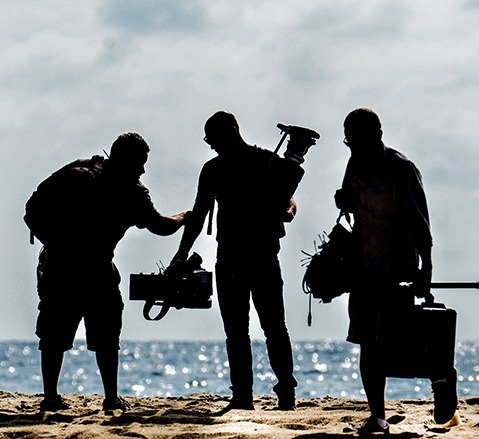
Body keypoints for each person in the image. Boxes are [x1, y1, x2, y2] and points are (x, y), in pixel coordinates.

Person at [26, 132, 188, 412]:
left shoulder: (79, 172)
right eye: (140, 163)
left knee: (66, 335)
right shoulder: (128, 190)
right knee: (92, 336)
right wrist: (184, 217)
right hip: (85, 269)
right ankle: (105, 398)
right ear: (125, 159)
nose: (143, 170)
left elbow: (31, 211)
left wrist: (52, 244)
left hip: (67, 267)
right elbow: (160, 225)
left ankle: (59, 397)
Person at [171, 110, 317, 411]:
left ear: (234, 131)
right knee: (245, 330)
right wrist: (181, 253)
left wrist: (287, 211)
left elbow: (288, 199)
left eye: (214, 139)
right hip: (237, 256)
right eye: (209, 141)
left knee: (270, 328)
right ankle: (245, 395)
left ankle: (280, 393)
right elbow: (198, 216)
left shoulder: (263, 161)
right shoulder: (219, 168)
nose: (212, 145)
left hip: (256, 255)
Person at [335, 108, 457, 434]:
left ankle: (442, 379)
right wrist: (342, 200)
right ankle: (378, 416)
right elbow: (349, 209)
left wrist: (426, 268)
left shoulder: (402, 170)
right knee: (367, 343)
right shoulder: (354, 166)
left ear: (377, 135)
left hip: (397, 269)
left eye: (357, 141)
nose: (353, 149)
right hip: (362, 270)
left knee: (404, 342)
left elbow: (421, 223)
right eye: (349, 142)